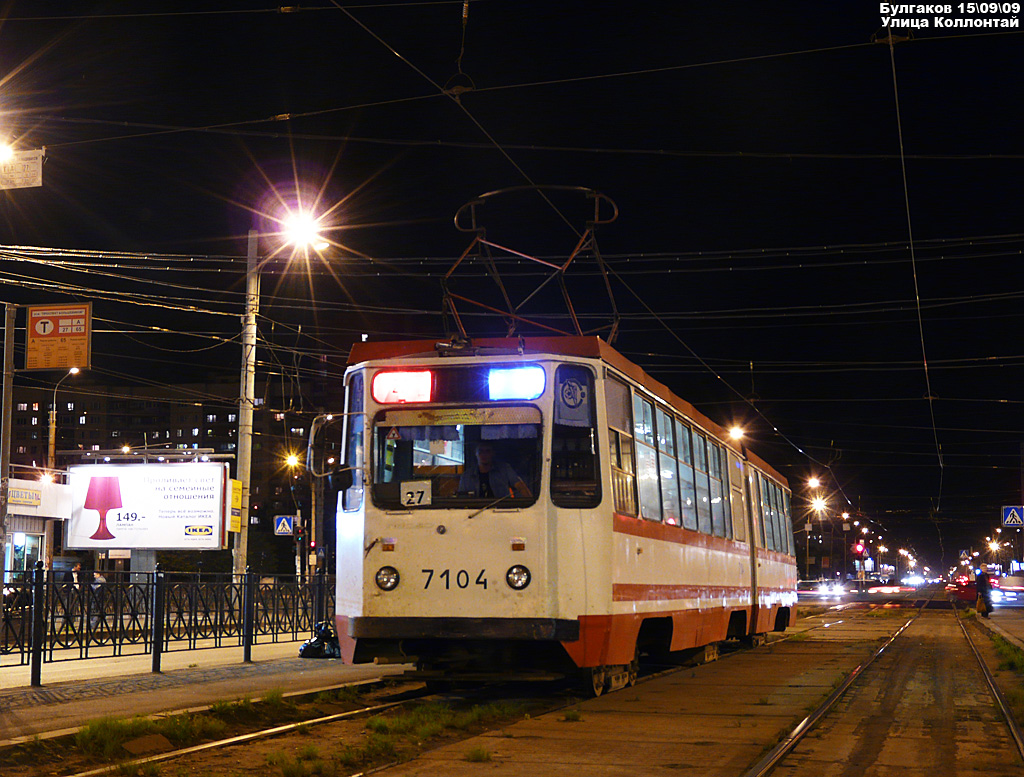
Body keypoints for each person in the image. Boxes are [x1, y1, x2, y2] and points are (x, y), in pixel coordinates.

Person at [458, 442, 532, 499]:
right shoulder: (466, 476)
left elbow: (520, 486)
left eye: (487, 451)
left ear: (493, 453)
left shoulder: (504, 469)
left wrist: (529, 505)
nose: (484, 455)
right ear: (476, 454)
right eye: (481, 451)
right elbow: (461, 498)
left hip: (501, 512)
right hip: (475, 514)